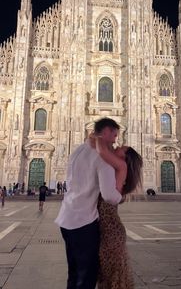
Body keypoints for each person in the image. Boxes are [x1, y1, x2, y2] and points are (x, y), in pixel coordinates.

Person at [55, 118, 122, 289]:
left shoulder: (77, 151)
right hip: (84, 222)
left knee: (74, 271)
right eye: (114, 135)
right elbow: (109, 196)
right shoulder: (102, 158)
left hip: (66, 218)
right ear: (106, 132)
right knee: (87, 275)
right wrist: (120, 195)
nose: (115, 140)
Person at [93, 136, 143, 289]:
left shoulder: (121, 167)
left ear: (124, 157)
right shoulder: (114, 170)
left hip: (110, 233)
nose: (117, 145)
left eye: (122, 147)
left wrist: (100, 135)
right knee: (108, 279)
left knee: (112, 279)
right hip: (108, 231)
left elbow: (101, 149)